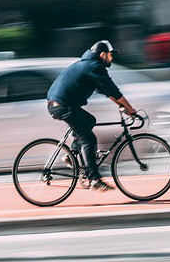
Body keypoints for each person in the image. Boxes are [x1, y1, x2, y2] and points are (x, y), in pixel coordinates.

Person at [46, 40, 137, 192]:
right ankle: (94, 179)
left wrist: (122, 105)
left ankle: (72, 155)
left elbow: (106, 91)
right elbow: (112, 90)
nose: (112, 58)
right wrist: (130, 108)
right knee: (89, 139)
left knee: (90, 120)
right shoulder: (95, 66)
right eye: (110, 55)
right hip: (63, 106)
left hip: (60, 104)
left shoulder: (88, 64)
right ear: (102, 54)